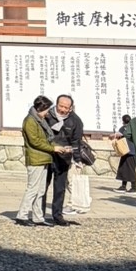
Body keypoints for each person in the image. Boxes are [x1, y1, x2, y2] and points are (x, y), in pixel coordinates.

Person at [15, 95, 69, 226]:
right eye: (47, 109)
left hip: (44, 158)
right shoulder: (30, 121)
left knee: (41, 190)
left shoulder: (39, 120)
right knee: (32, 189)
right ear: (42, 108)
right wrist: (53, 148)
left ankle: (38, 217)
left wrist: (58, 147)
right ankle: (22, 215)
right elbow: (35, 142)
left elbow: (44, 139)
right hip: (35, 158)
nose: (48, 112)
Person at [45, 93, 85, 225]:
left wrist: (77, 160)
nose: (62, 109)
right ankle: (39, 213)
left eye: (65, 107)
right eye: (60, 106)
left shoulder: (76, 121)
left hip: (64, 158)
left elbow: (76, 141)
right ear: (56, 105)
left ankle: (57, 215)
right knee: (42, 187)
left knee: (60, 188)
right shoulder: (47, 115)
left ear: (70, 108)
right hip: (47, 155)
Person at [114, 113, 136, 192]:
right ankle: (123, 186)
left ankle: (134, 187)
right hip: (129, 152)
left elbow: (118, 135)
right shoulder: (134, 127)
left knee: (130, 170)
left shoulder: (125, 128)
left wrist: (114, 135)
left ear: (123, 121)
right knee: (124, 169)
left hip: (129, 152)